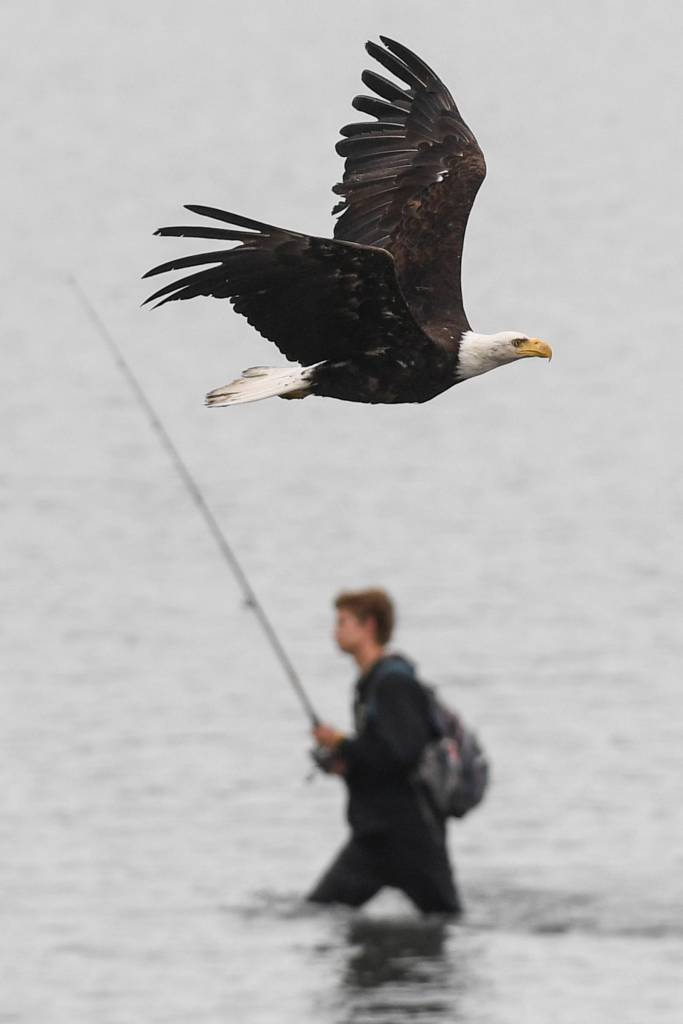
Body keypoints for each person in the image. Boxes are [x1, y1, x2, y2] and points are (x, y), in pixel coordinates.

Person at [307, 588, 461, 915]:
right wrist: (343, 763)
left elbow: (401, 755)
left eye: (344, 621)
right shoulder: (369, 685)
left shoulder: (394, 683)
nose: (336, 630)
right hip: (374, 837)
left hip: (411, 838)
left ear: (369, 626)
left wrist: (341, 744)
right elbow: (378, 757)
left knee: (446, 920)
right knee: (319, 911)